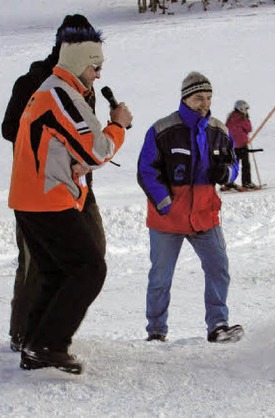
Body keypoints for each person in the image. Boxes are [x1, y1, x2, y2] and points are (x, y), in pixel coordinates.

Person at [8, 27, 133, 374]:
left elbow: (71, 147)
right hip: (47, 199)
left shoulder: (53, 91)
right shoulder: (61, 94)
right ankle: (48, 345)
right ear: (80, 63)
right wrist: (118, 125)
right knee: (90, 269)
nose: (99, 73)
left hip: (32, 196)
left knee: (54, 272)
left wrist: (81, 160)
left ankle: (35, 343)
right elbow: (97, 147)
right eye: (95, 66)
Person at [1, 15, 107, 354]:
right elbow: (10, 129)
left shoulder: (82, 82)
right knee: (39, 263)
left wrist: (79, 154)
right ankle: (27, 336)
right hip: (40, 187)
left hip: (78, 185)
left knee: (91, 252)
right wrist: (51, 150)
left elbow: (85, 136)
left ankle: (47, 333)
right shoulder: (35, 80)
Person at [137, 71, 244, 344]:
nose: (205, 103)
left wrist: (227, 174)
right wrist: (165, 203)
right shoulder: (162, 130)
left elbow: (234, 165)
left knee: (219, 268)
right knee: (160, 278)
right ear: (185, 98)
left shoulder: (219, 131)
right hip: (167, 220)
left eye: (208, 98)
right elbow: (146, 171)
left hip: (205, 217)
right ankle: (156, 332)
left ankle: (218, 325)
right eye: (199, 98)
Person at [224, 99, 256, 190]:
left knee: (233, 165)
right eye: (246, 109)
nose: (246, 111)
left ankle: (228, 182)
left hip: (232, 146)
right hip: (242, 145)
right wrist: (247, 119)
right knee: (245, 165)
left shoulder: (230, 118)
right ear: (241, 109)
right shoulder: (242, 119)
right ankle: (247, 182)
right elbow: (249, 129)